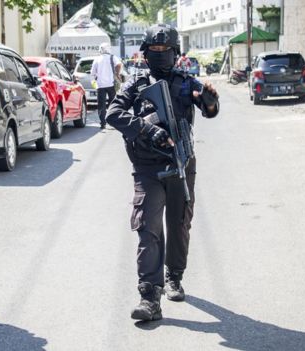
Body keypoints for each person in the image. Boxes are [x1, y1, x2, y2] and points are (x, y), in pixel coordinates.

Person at [105, 23, 220, 321]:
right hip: (148, 166)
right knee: (148, 227)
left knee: (180, 223)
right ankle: (149, 297)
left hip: (181, 163)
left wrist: (209, 99)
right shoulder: (135, 84)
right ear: (145, 54)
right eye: (153, 50)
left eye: (164, 50)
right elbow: (113, 114)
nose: (159, 55)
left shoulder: (186, 82)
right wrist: (146, 129)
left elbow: (208, 110)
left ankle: (174, 277)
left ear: (175, 53)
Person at [91, 42, 122, 129]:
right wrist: (117, 73)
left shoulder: (97, 59)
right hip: (111, 84)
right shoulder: (113, 57)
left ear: (101, 49)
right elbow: (119, 64)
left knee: (101, 105)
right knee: (113, 104)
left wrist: (97, 76)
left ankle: (103, 123)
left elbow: (92, 72)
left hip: (100, 85)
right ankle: (113, 121)